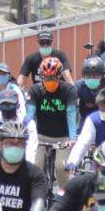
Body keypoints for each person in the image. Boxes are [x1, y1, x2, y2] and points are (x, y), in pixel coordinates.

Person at [26, 56, 78, 189]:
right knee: (36, 166)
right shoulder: (35, 90)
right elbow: (30, 115)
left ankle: (65, 197)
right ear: (42, 77)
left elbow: (71, 115)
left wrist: (72, 138)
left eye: (53, 78)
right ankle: (36, 195)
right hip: (41, 136)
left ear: (59, 77)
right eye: (47, 78)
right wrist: (24, 131)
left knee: (61, 168)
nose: (50, 82)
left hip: (63, 137)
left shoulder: (69, 91)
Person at [0, 89, 37, 163]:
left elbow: (31, 148)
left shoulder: (27, 123)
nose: (6, 109)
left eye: (10, 106)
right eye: (3, 106)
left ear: (17, 105)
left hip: (21, 160)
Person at [74, 56, 105, 125]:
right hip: (86, 118)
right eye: (88, 76)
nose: (91, 78)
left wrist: (96, 104)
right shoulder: (79, 86)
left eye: (95, 76)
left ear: (102, 75)